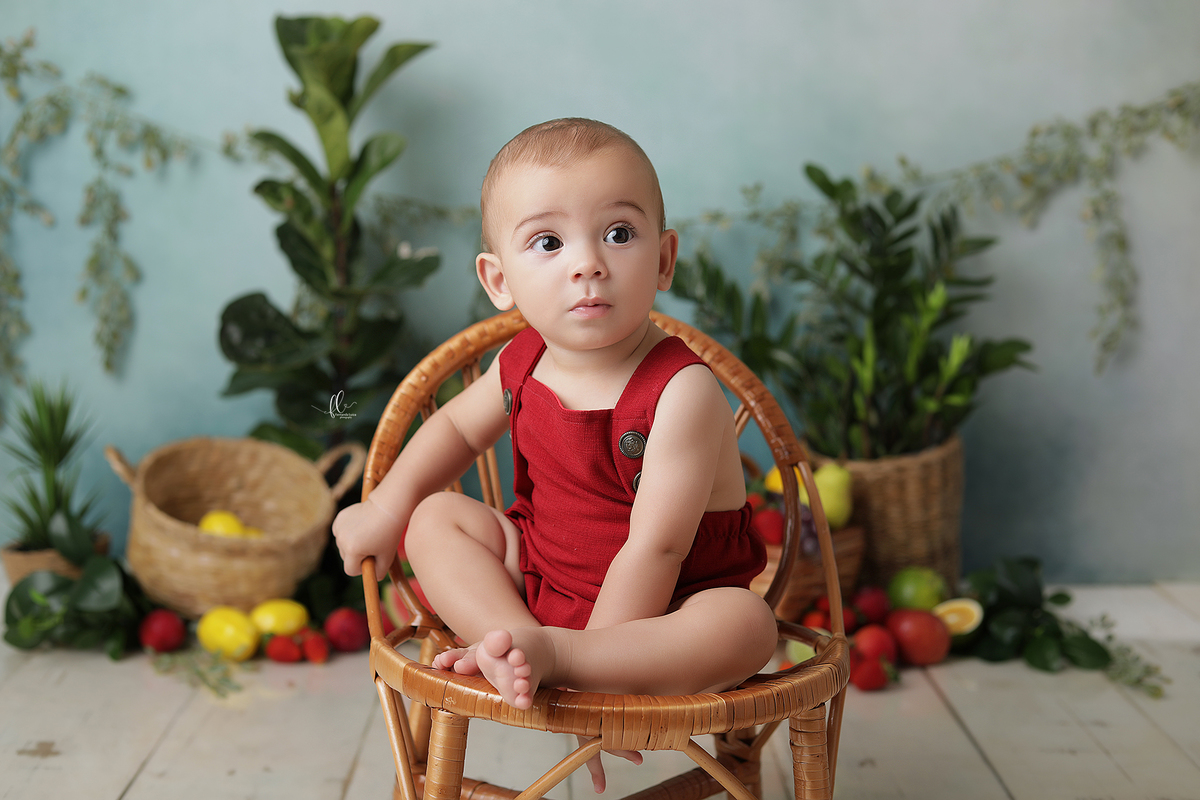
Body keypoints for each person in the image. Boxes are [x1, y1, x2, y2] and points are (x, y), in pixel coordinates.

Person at [333, 117, 777, 792]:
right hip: (543, 582)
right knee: (434, 520)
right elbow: (453, 431)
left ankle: (556, 661)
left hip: (665, 612)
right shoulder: (521, 361)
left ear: (663, 259)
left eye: (620, 234)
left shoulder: (683, 391)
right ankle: (514, 643)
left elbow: (656, 550)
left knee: (745, 625)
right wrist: (386, 506)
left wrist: (588, 673)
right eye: (547, 242)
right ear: (498, 279)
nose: (588, 263)